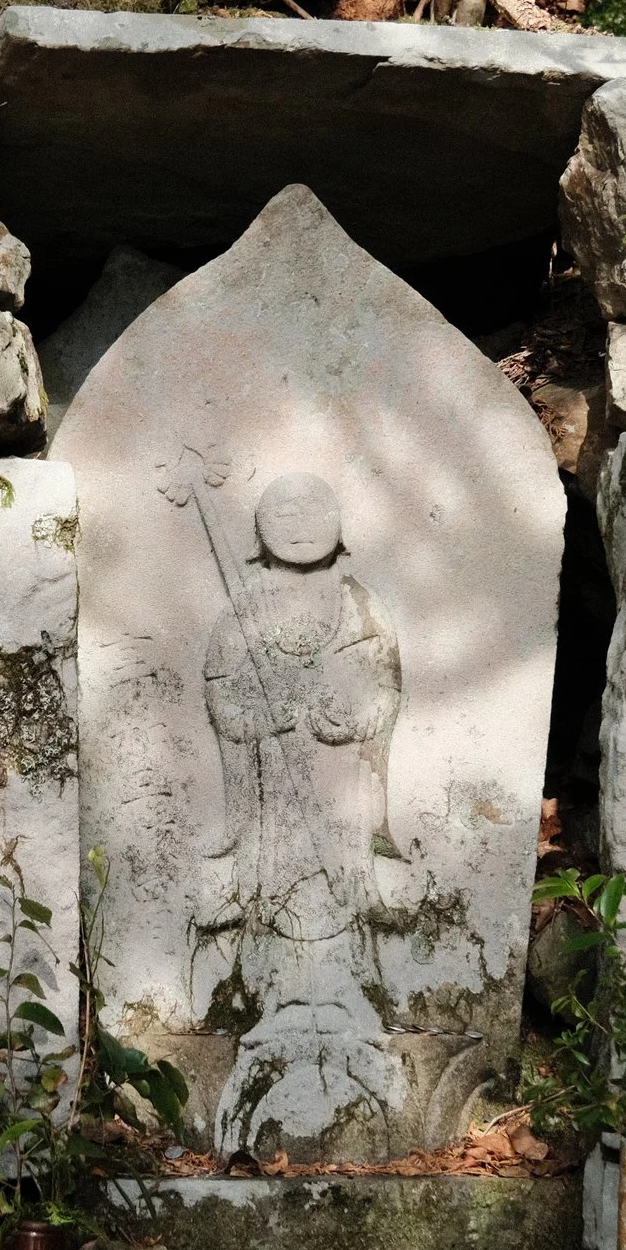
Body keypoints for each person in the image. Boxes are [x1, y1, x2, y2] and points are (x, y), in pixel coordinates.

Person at [195, 471, 405, 1153]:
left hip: (339, 788)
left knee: (339, 886)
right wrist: (272, 713)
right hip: (274, 797)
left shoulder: (358, 605)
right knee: (280, 888)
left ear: (341, 525)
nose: (297, 521)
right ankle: (279, 1000)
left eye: (314, 507)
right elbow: (224, 699)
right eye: (280, 509)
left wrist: (348, 714)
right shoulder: (242, 612)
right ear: (257, 528)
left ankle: (343, 996)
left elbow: (382, 687)